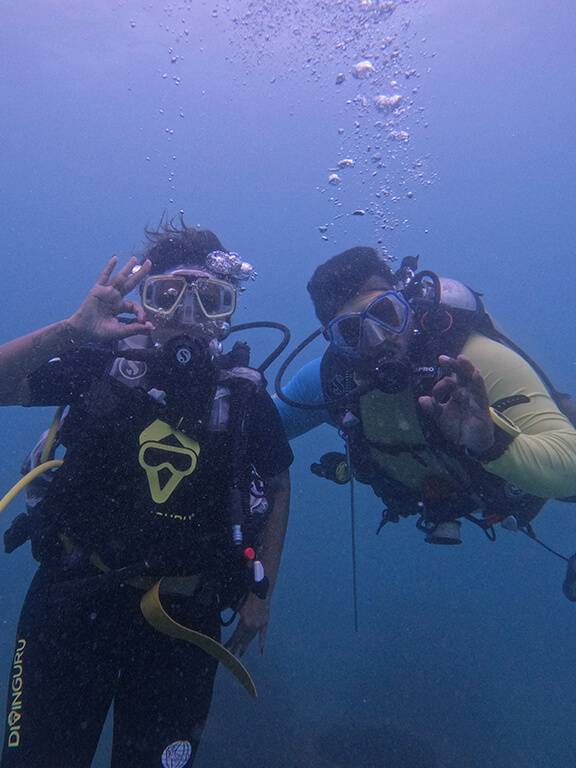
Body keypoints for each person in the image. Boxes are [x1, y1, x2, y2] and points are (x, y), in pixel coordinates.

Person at [0, 219, 293, 768]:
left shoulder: (245, 398)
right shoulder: (100, 364)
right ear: (142, 304)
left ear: (227, 311)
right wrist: (72, 329)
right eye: (166, 296)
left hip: (183, 620)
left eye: (209, 300)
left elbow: (279, 484)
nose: (187, 316)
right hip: (71, 602)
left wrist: (262, 594)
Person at [275, 246, 576, 554]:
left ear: (405, 305)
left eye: (384, 313)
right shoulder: (331, 383)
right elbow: (255, 427)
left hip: (518, 491)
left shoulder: (471, 365)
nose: (379, 339)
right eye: (351, 331)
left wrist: (494, 443)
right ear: (335, 342)